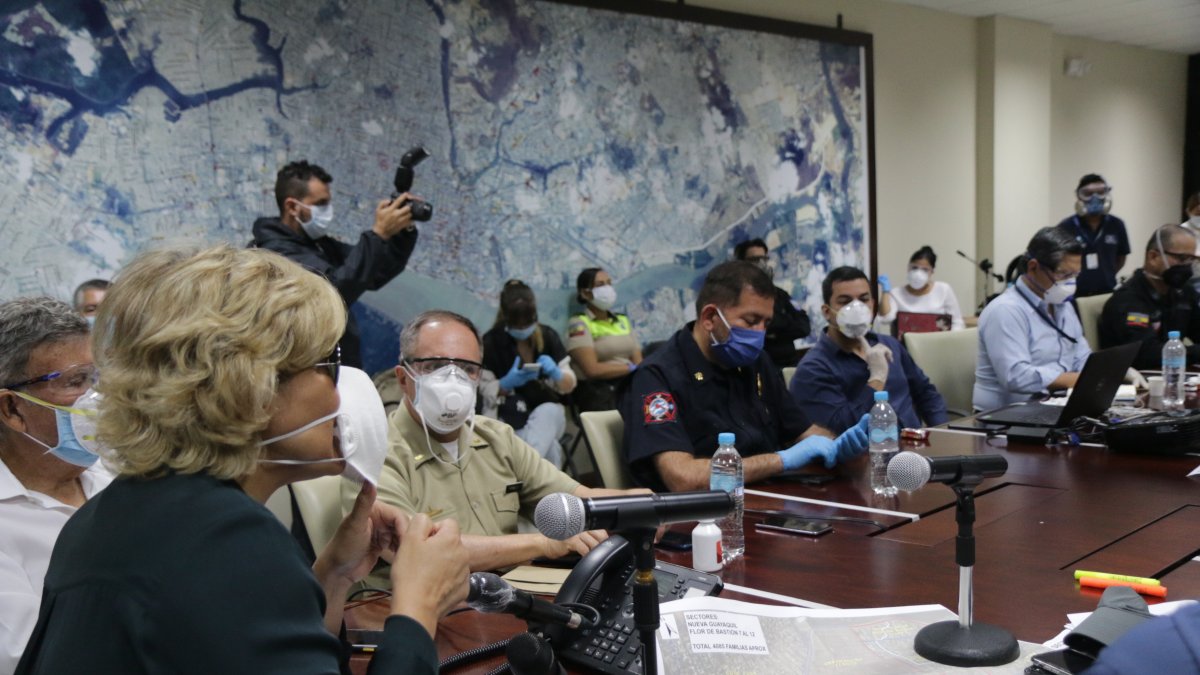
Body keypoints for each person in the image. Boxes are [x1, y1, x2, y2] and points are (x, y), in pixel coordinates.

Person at [15, 246, 469, 674]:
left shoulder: (115, 511)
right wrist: (416, 609)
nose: (340, 389)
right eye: (327, 363)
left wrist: (333, 576)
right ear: (249, 387)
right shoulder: (226, 540)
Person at [360, 310, 648, 576]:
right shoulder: (376, 453)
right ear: (403, 378)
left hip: (508, 597)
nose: (452, 379)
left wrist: (644, 505)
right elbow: (419, 551)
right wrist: (543, 544)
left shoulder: (497, 438)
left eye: (466, 369)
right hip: (418, 610)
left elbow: (575, 499)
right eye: (434, 366)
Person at [618, 261, 870, 493]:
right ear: (709, 318)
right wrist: (780, 461)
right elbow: (683, 477)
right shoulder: (657, 376)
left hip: (770, 500)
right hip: (701, 521)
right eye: (751, 321)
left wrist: (837, 446)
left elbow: (803, 431)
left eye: (765, 323)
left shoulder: (755, 361)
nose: (759, 333)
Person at [0, 298, 111, 672]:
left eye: (98, 378)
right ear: (12, 409)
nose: (98, 400)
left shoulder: (115, 475)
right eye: (76, 381)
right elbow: (33, 659)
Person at [251, 160, 419, 369]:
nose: (327, 210)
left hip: (334, 364)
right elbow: (331, 292)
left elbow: (372, 272)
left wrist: (402, 231)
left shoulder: (319, 244)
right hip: (303, 369)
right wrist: (377, 234)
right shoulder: (274, 253)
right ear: (292, 206)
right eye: (320, 204)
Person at [791, 267, 949, 434]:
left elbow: (926, 393)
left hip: (917, 448)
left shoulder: (890, 345)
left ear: (873, 304)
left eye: (864, 299)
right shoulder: (813, 368)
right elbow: (841, 429)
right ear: (827, 312)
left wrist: (942, 434)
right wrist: (876, 380)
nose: (856, 307)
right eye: (845, 301)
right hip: (872, 454)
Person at [974, 227, 1091, 411]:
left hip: (1051, 407)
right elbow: (1016, 376)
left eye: (1075, 275)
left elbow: (1082, 356)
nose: (1070, 284)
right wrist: (1074, 379)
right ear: (1033, 267)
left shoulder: (1063, 305)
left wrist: (1103, 376)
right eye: (1063, 274)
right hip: (1003, 421)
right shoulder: (1006, 310)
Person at [480, 280, 575, 468]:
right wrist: (504, 385)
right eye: (518, 326)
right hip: (509, 417)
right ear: (506, 319)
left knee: (547, 412)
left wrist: (556, 374)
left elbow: (569, 385)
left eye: (527, 324)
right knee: (551, 448)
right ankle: (546, 492)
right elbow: (483, 390)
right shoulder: (491, 342)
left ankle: (523, 470)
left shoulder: (548, 336)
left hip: (548, 415)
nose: (523, 330)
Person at [1099, 225, 1200, 369]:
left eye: (1192, 260)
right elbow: (1146, 354)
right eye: (1182, 258)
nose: (1188, 266)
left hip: (1172, 376)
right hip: (1135, 381)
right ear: (1153, 257)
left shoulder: (1182, 293)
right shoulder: (1128, 300)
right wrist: (1195, 352)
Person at [566, 268, 642, 411]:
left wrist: (635, 370)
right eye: (600, 285)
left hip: (630, 383)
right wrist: (629, 368)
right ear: (585, 293)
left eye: (609, 283)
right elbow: (592, 370)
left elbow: (638, 361)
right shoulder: (579, 323)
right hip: (601, 389)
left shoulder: (622, 320)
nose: (607, 288)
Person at [733, 239, 811, 368]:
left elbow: (803, 326)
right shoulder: (738, 297)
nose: (761, 264)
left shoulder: (780, 295)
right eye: (755, 260)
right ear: (742, 264)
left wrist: (775, 333)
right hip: (759, 367)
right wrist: (784, 325)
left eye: (764, 259)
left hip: (789, 365)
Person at [1055, 173, 1130, 297]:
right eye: (1087, 194)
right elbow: (1058, 260)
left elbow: (1121, 258)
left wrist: (1106, 275)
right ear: (1079, 197)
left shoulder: (1117, 225)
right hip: (1075, 295)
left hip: (1107, 293)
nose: (1094, 198)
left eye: (1101, 192)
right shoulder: (1066, 226)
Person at [874, 246, 965, 332]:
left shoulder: (943, 290)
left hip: (938, 343)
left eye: (925, 270)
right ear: (908, 268)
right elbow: (886, 319)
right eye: (914, 268)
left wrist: (950, 340)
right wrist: (885, 292)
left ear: (932, 271)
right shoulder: (896, 293)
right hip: (904, 345)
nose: (918, 273)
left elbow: (957, 322)